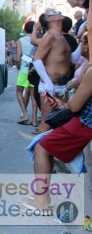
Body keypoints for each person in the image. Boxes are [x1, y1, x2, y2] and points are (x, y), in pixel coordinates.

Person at [22, 67, 92, 213]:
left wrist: (63, 103)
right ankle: (44, 198)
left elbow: (75, 106)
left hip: (84, 124)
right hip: (84, 124)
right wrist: (63, 104)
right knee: (45, 148)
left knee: (41, 148)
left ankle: (41, 201)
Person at [32, 9, 72, 135]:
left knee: (60, 125)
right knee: (46, 125)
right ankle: (38, 153)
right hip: (50, 88)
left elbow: (71, 59)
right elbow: (37, 60)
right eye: (55, 12)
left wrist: (83, 42)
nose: (60, 12)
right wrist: (48, 83)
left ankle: (49, 154)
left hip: (62, 86)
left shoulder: (60, 37)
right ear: (49, 19)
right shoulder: (49, 36)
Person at [16, 22, 37, 126]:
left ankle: (24, 114)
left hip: (24, 69)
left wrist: (19, 66)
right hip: (35, 69)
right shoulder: (39, 39)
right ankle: (34, 121)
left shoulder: (21, 40)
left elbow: (17, 57)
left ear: (25, 30)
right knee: (33, 95)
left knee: (19, 91)